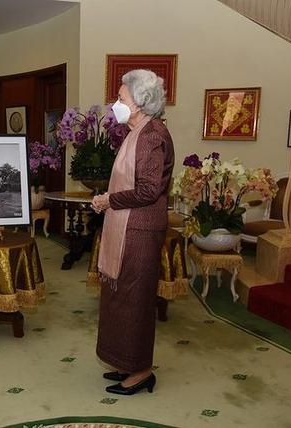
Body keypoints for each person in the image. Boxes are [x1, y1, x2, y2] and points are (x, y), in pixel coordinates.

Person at [91, 69, 174, 396]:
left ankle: (141, 371)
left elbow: (149, 190)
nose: (116, 104)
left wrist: (108, 200)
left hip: (139, 231)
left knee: (134, 301)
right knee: (120, 299)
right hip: (130, 228)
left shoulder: (152, 135)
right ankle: (127, 362)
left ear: (140, 103)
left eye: (122, 99)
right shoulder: (138, 130)